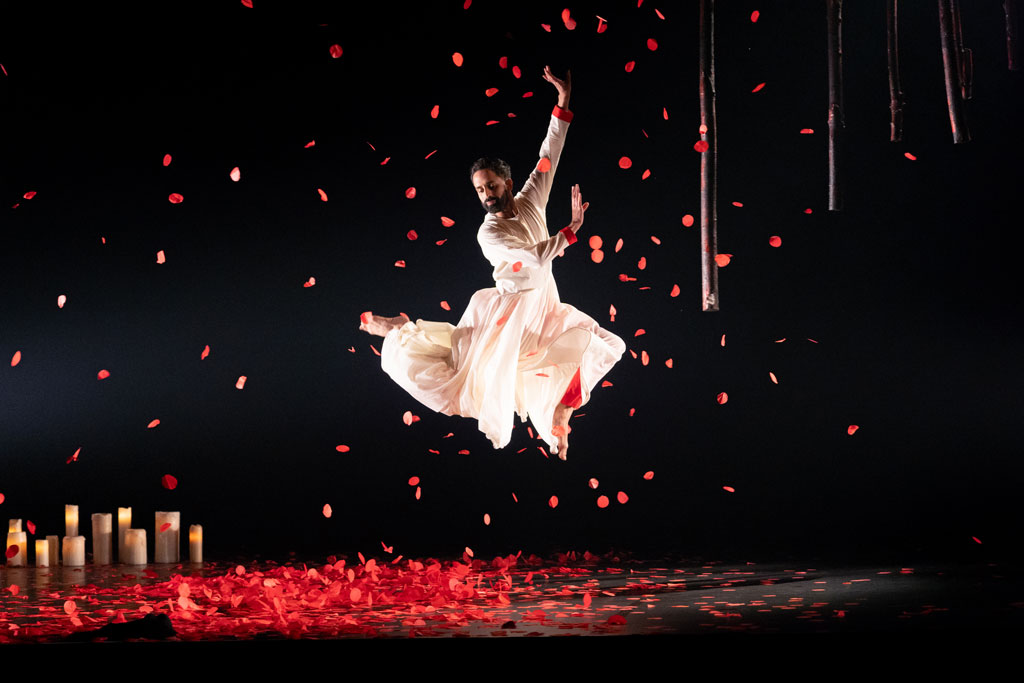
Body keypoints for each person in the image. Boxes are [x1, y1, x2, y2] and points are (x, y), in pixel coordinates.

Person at [360, 66, 625, 460]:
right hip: (510, 313)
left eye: (493, 186)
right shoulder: (489, 234)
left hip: (545, 307)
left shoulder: (532, 198)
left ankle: (561, 415)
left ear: (508, 183)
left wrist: (563, 102)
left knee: (608, 345)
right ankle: (399, 331)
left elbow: (549, 153)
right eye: (481, 189)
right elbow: (529, 259)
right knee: (460, 373)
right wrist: (569, 232)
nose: (486, 194)